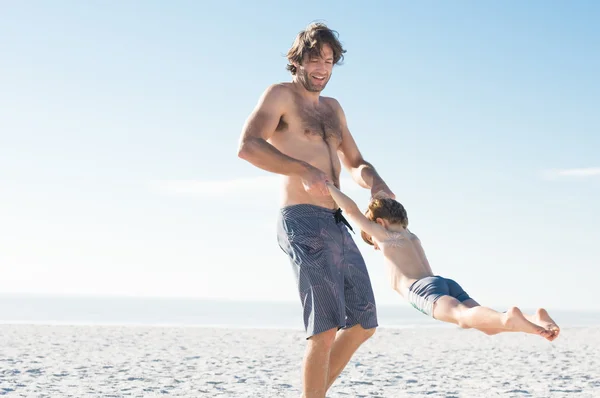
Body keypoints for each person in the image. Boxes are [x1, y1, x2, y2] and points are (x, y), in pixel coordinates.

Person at [237, 22, 394, 398]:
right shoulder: (280, 96)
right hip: (302, 218)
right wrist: (301, 169)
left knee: (364, 320)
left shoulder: (333, 109)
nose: (322, 67)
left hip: (338, 220)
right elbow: (248, 145)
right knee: (324, 328)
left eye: (329, 60)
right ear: (298, 61)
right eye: (314, 59)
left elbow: (355, 162)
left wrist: (376, 184)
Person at [325, 182, 561, 342]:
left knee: (463, 318)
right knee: (486, 326)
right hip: (443, 283)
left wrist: (329, 186)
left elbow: (351, 210)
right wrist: (379, 197)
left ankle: (508, 316)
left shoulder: (387, 236)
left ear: (380, 224)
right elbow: (386, 206)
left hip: (422, 288)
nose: (376, 245)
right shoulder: (410, 235)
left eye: (373, 239)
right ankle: (533, 319)